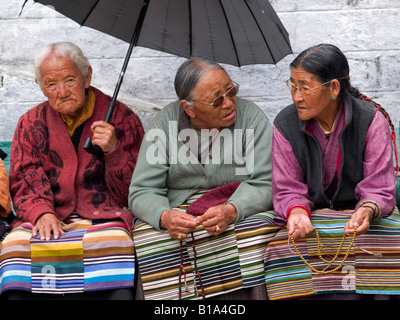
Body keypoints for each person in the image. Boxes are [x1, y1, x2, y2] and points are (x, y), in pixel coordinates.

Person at [0, 42, 144, 299]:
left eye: (69, 79)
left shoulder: (122, 118)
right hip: (49, 212)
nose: (62, 91)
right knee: (15, 247)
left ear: (87, 76)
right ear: (40, 85)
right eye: (51, 84)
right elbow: (24, 178)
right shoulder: (30, 122)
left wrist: (114, 151)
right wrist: (42, 213)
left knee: (115, 246)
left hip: (105, 215)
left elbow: (136, 189)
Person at [129, 57, 275, 299]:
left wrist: (232, 210)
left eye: (231, 91)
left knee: (257, 232)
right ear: (189, 108)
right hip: (178, 207)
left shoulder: (252, 119)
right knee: (148, 240)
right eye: (217, 100)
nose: (229, 103)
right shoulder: (164, 125)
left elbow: (267, 182)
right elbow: (142, 191)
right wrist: (164, 216)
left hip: (239, 202)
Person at [265, 43, 399, 300]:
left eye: (305, 87)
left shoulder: (370, 120)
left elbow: (379, 186)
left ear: (334, 88)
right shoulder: (285, 124)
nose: (296, 96)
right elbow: (287, 186)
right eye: (293, 85)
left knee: (392, 242)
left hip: (359, 219)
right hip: (312, 217)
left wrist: (367, 209)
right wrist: (295, 211)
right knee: (278, 249)